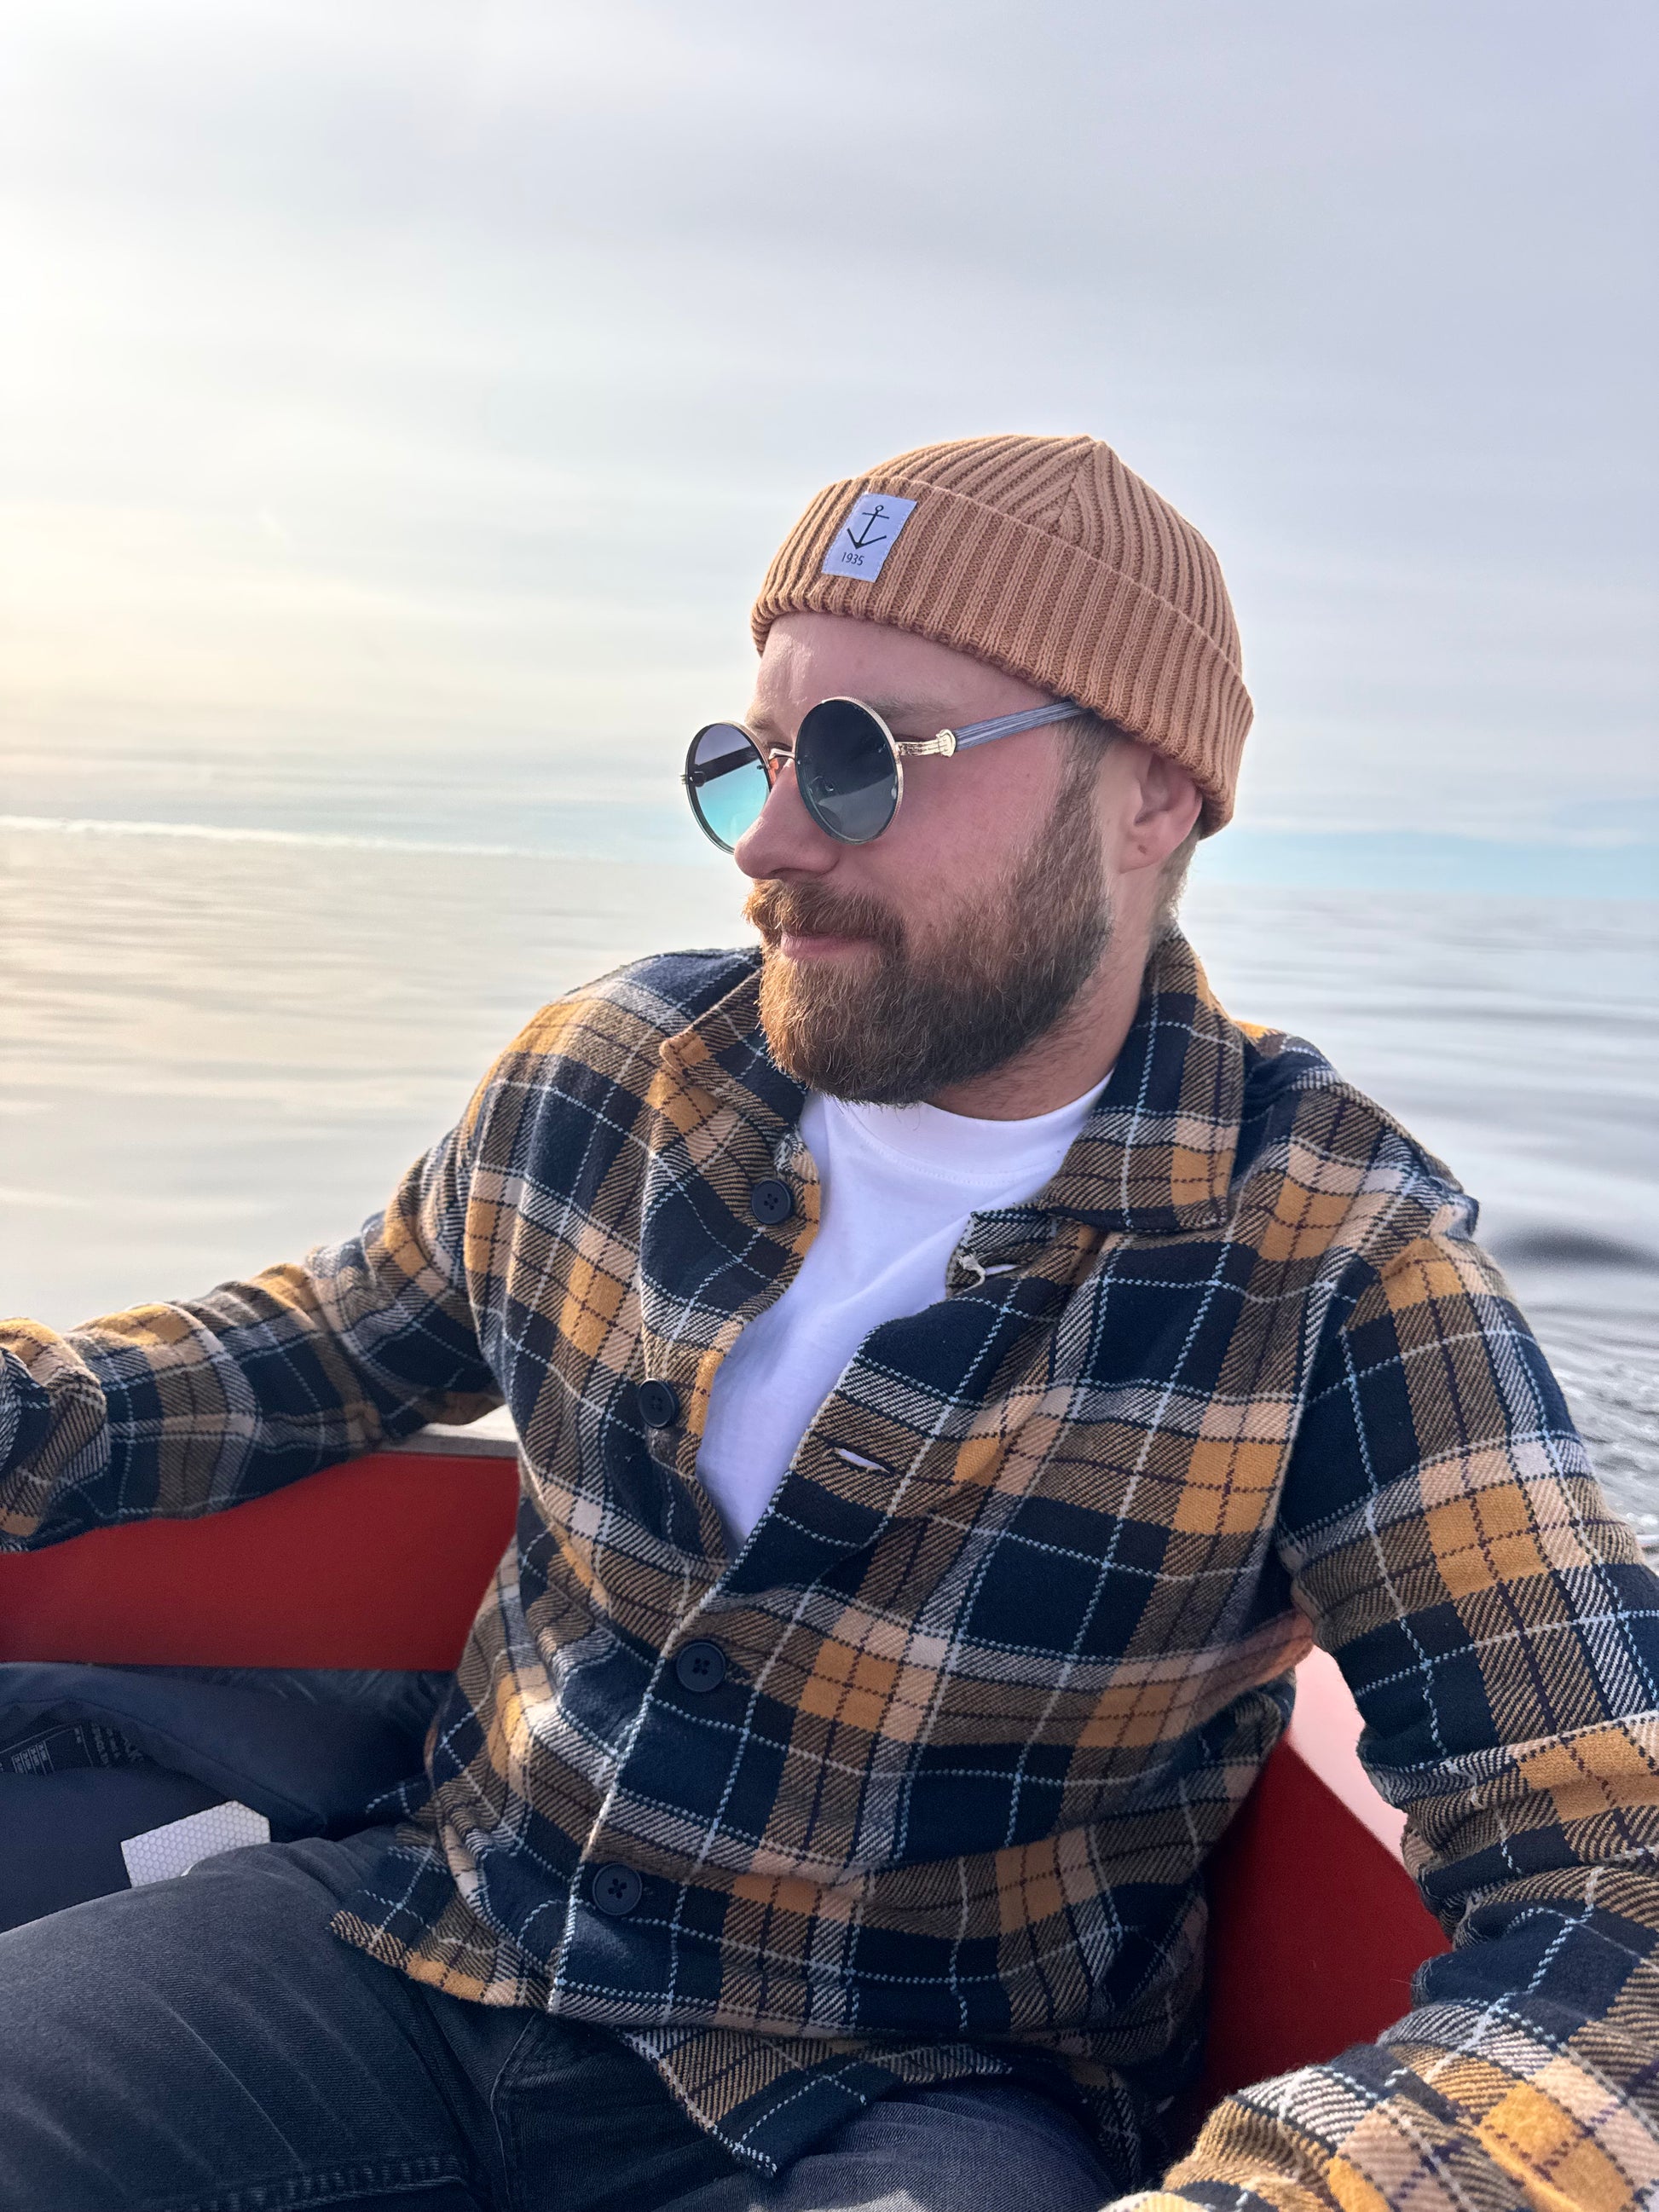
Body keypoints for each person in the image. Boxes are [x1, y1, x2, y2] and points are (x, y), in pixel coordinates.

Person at [2, 432, 1655, 2212]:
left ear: (1151, 799)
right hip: (445, 1926)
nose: (771, 843)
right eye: (754, 758)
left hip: (907, 2081)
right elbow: (307, 1351)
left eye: (867, 759)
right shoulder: (613, 1075)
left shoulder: (1331, 1258)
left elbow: (1614, 1868)